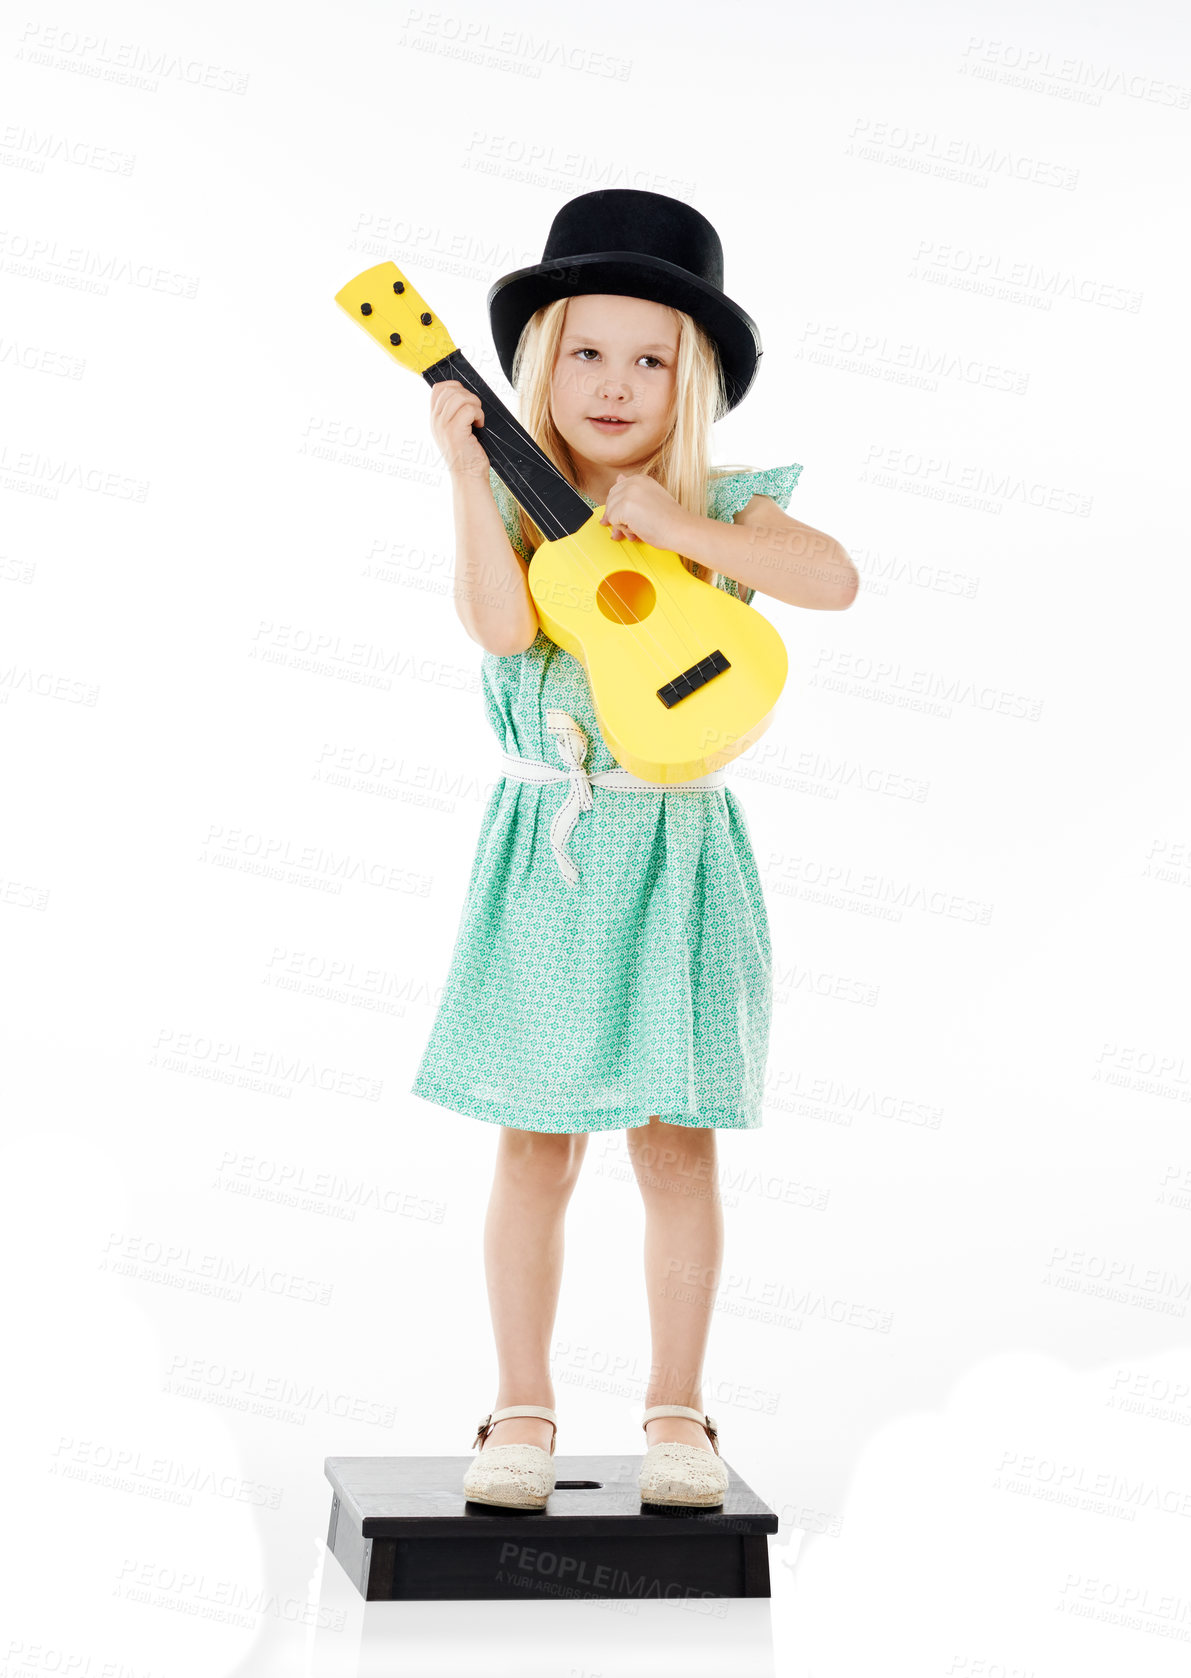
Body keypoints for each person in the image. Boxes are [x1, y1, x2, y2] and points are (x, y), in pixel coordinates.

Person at [409, 190, 858, 1510]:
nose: (615, 383)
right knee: (534, 1142)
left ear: (692, 377)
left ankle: (679, 1410)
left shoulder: (727, 498)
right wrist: (462, 479)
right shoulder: (518, 495)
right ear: (544, 360)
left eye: (650, 358)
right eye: (587, 352)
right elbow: (500, 632)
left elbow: (830, 577)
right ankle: (521, 1406)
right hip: (548, 855)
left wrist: (687, 532)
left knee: (676, 1142)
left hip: (677, 857)